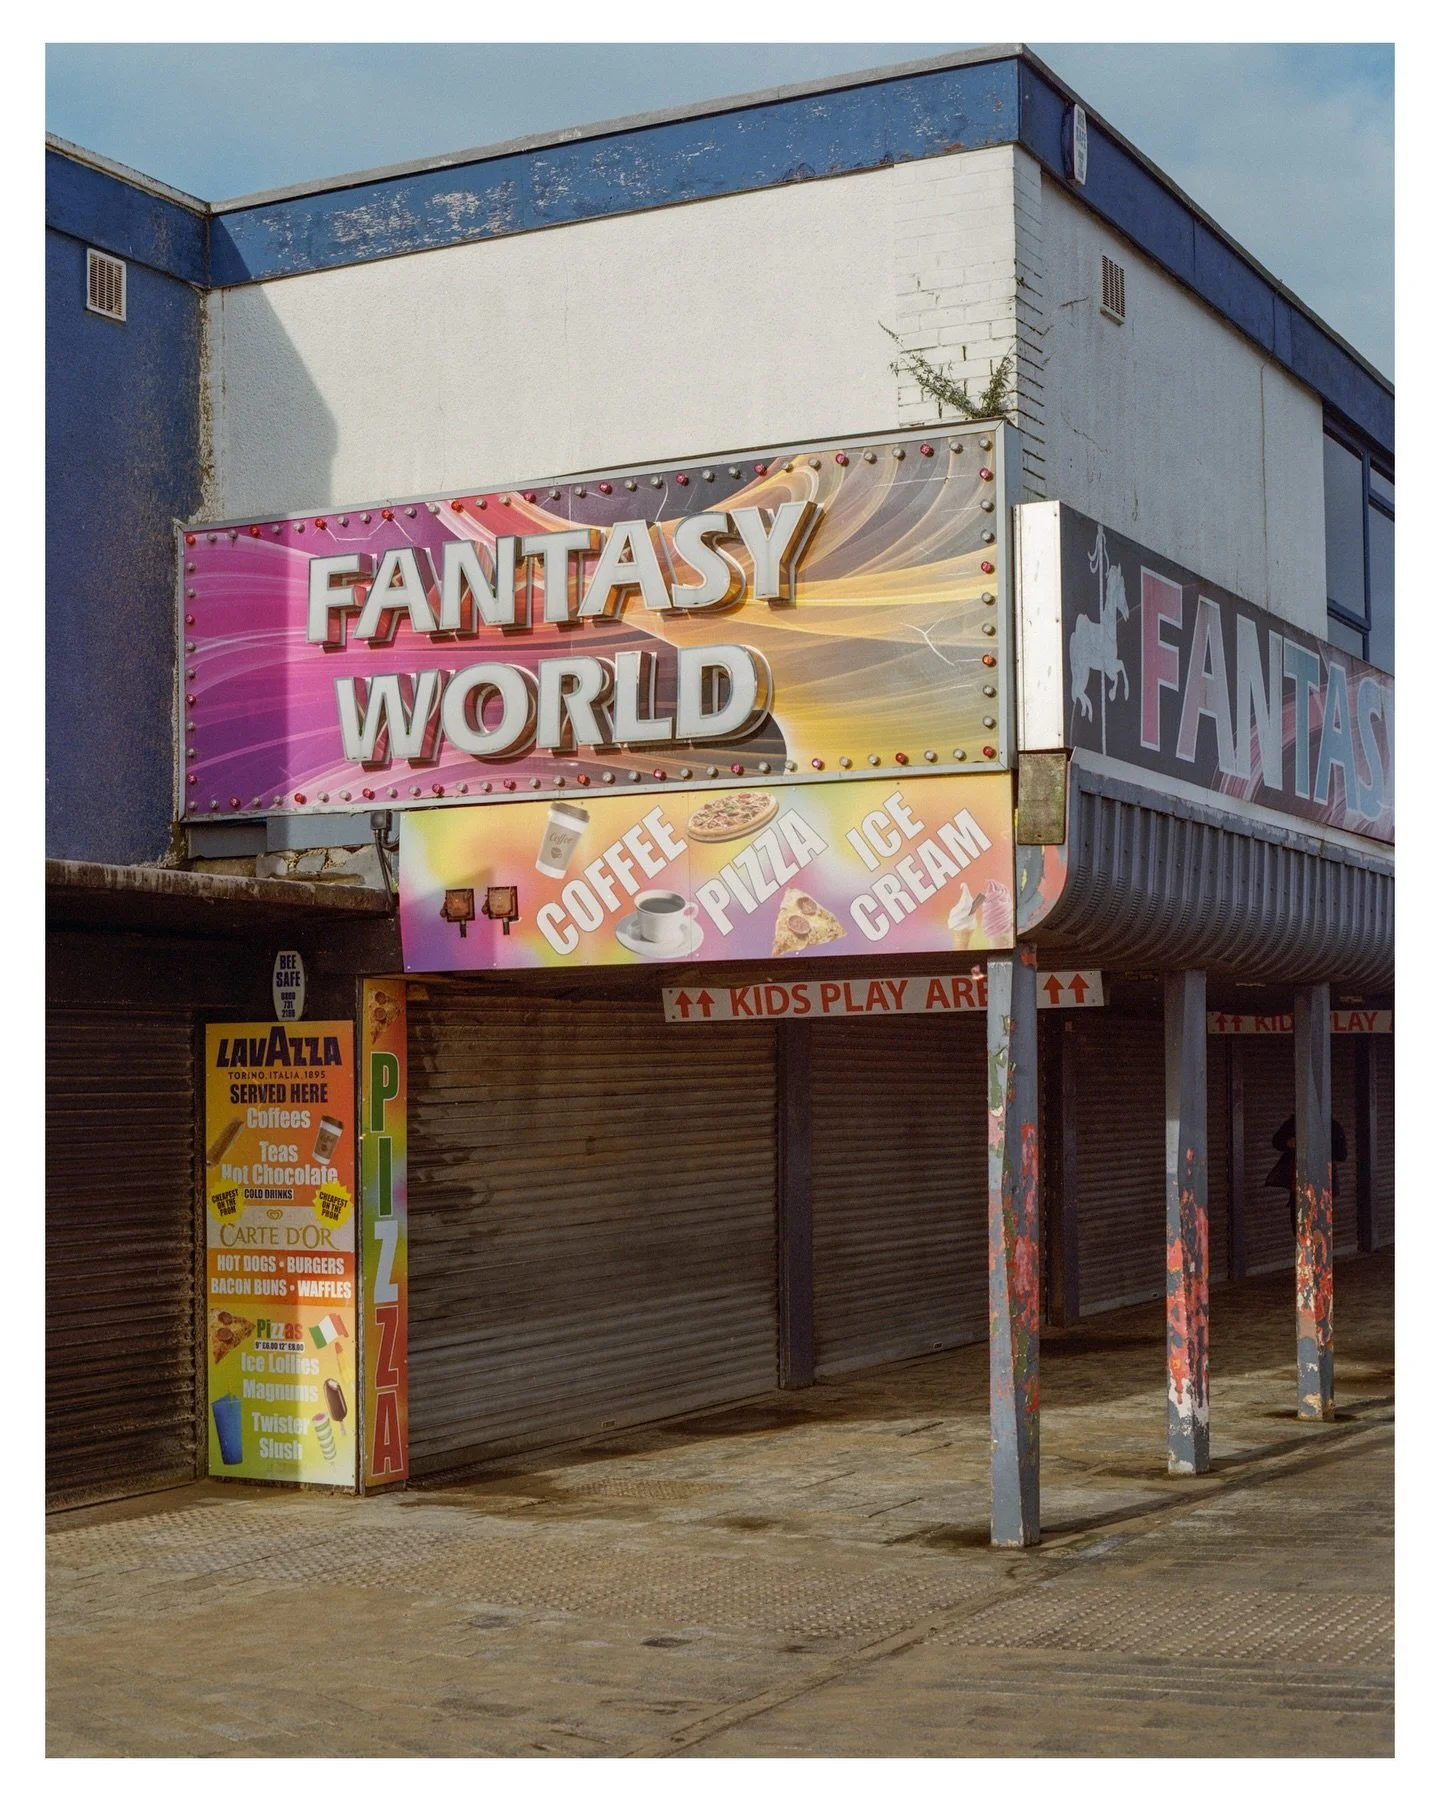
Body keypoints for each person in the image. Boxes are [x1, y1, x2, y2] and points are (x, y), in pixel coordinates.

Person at [1266, 1114, 1348, 1236]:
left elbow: (1342, 1154)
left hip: (1322, 1186)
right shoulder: (1295, 1122)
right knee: (1300, 1228)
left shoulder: (1331, 1126)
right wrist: (1288, 1143)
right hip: (1300, 1185)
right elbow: (1277, 1141)